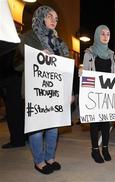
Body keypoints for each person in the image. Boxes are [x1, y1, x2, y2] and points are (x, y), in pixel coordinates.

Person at [14, 6, 69, 174]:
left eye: (56, 19)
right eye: (50, 16)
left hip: (54, 92)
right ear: (40, 17)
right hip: (35, 91)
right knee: (36, 127)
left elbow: (65, 68)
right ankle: (39, 161)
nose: (54, 21)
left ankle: (50, 157)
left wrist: (69, 91)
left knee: (53, 127)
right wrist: (37, 56)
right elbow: (17, 65)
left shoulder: (59, 42)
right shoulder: (27, 37)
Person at [82, 25, 115, 163]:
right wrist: (81, 73)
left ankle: (105, 148)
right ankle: (95, 150)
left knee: (106, 122)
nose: (105, 36)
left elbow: (113, 74)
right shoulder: (89, 52)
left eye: (108, 34)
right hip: (94, 93)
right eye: (102, 34)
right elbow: (85, 73)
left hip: (107, 92)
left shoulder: (111, 54)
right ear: (97, 35)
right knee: (95, 123)